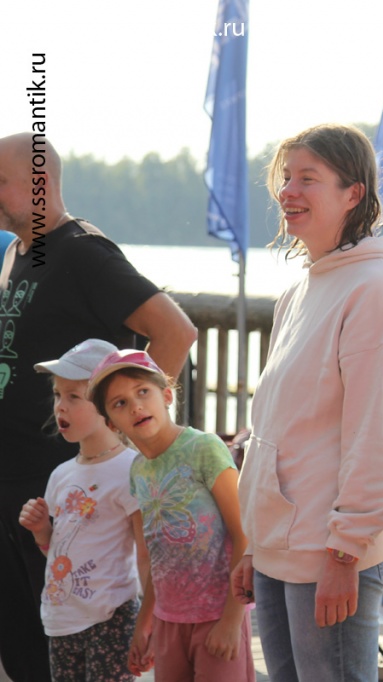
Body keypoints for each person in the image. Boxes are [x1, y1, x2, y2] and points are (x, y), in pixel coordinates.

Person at [230, 123, 383, 682]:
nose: (288, 191)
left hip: (330, 553)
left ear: (353, 194)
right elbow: (273, 425)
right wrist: (253, 544)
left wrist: (345, 553)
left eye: (308, 179)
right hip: (279, 546)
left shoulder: (378, 287)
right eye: (286, 177)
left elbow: (375, 434)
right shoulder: (300, 289)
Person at [0, 132, 197, 681]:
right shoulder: (17, 253)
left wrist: (129, 436)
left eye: (0, 181)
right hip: (15, 483)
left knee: (69, 648)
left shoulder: (84, 253)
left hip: (66, 489)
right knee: (21, 647)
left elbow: (175, 332)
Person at [88, 349, 253, 681]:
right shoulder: (138, 471)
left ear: (166, 395)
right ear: (110, 423)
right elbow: (159, 558)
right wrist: (145, 624)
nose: (135, 406)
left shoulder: (203, 448)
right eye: (120, 403)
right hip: (167, 622)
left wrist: (231, 621)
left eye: (142, 392)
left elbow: (245, 534)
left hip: (218, 616)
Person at [18, 339, 146, 682]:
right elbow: (58, 553)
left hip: (111, 619)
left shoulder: (132, 469)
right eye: (57, 395)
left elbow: (146, 555)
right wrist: (41, 530)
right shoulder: (61, 475)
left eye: (74, 396)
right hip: (61, 620)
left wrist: (150, 622)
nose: (60, 406)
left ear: (107, 403)